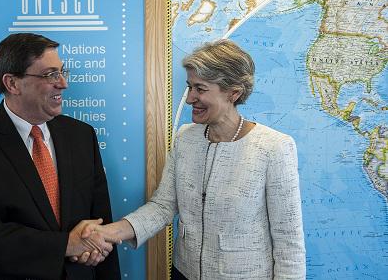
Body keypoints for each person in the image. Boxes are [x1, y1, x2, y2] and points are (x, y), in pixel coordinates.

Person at [81, 39, 306, 279]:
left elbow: (288, 240)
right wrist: (108, 233)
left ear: (233, 92)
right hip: (183, 273)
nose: (189, 98)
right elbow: (163, 207)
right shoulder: (186, 138)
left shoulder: (273, 147)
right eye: (190, 87)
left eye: (200, 89)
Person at [0, 33, 121, 280]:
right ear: (12, 84)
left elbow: (100, 223)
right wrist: (66, 244)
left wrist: (96, 245)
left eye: (62, 71)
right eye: (50, 75)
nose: (63, 83)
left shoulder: (81, 136)